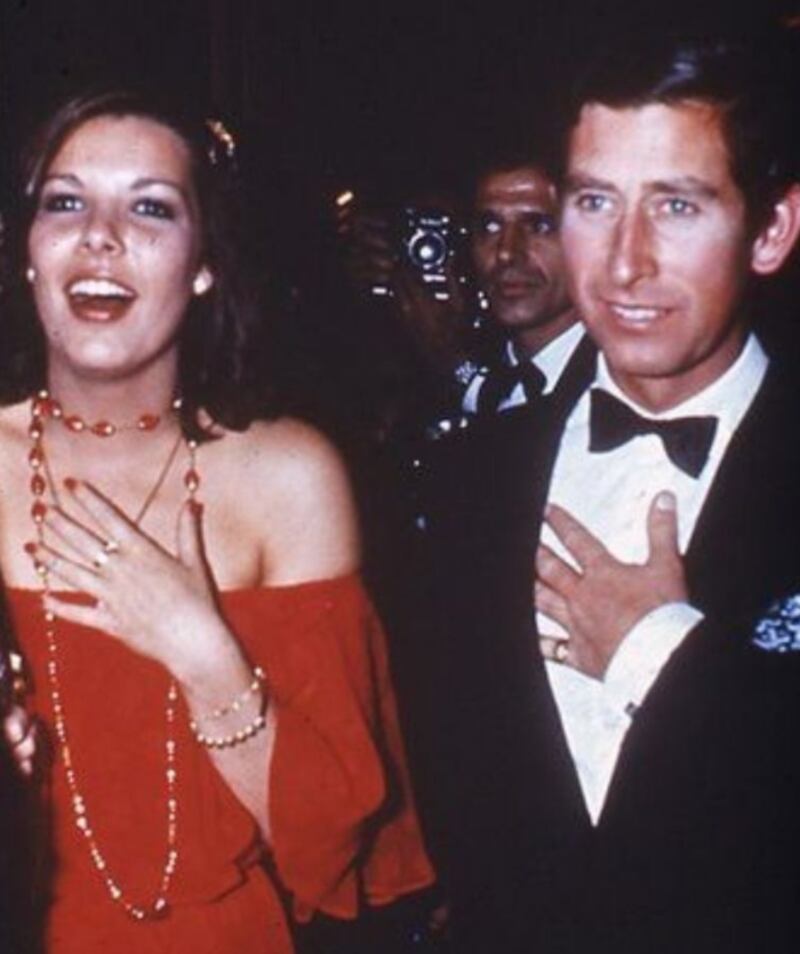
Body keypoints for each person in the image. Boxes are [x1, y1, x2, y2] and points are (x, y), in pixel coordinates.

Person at [0, 88, 433, 954]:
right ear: (27, 253)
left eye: (151, 208)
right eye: (66, 203)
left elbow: (332, 848)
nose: (100, 237)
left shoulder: (289, 478)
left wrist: (201, 652)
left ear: (204, 263)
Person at [417, 26, 800, 954]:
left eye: (677, 206)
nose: (625, 262)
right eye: (595, 201)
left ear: (771, 230)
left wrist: (658, 653)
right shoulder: (469, 477)